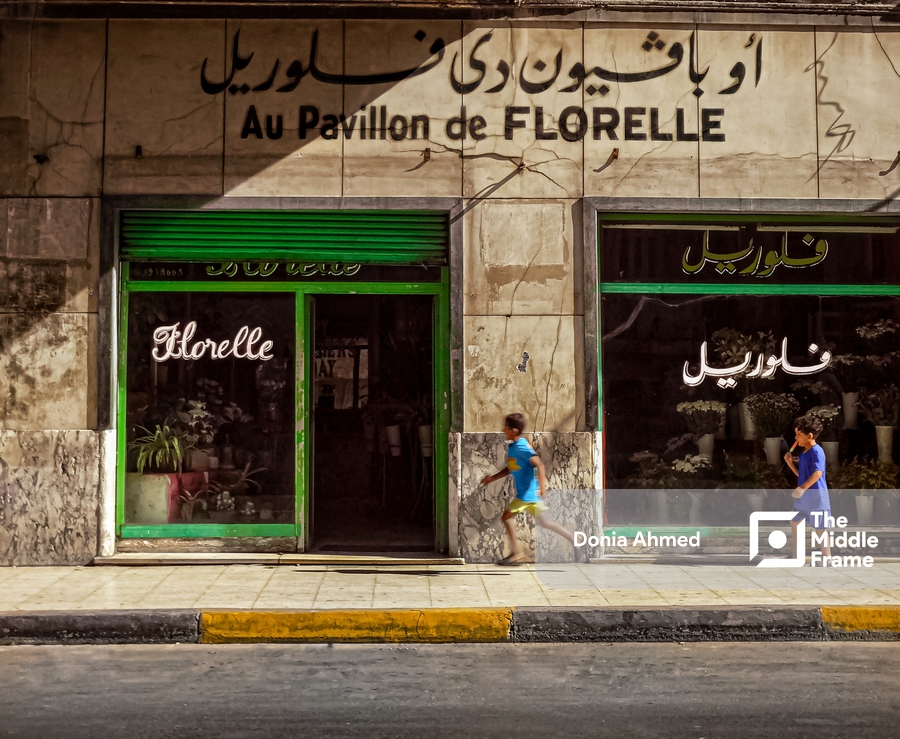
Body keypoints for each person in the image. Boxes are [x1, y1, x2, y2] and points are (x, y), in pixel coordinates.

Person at [481, 413, 576, 565]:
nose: (503, 430)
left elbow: (539, 464)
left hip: (527, 495)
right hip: (528, 495)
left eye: (506, 427)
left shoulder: (521, 446)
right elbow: (511, 469)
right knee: (546, 523)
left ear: (514, 431)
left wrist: (542, 487)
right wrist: (492, 478)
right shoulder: (513, 446)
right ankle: (573, 538)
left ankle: (516, 553)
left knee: (506, 517)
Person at [783, 414, 832, 561]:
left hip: (817, 498)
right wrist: (791, 464)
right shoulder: (804, 453)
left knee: (820, 529)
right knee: (795, 522)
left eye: (799, 435)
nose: (796, 438)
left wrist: (802, 488)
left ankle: (827, 558)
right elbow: (803, 475)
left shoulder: (817, 451)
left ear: (809, 435)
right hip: (805, 499)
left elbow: (818, 473)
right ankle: (796, 556)